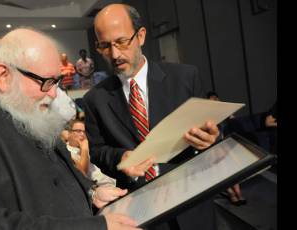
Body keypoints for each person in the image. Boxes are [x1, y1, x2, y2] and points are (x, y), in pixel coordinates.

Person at [0, 28, 141, 230]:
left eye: (56, 82)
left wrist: (91, 193)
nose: (54, 94)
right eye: (47, 82)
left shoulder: (20, 107)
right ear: (4, 75)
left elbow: (53, 175)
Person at [83, 4, 219, 230]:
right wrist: (121, 157)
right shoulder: (94, 99)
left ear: (141, 36)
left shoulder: (185, 78)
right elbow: (97, 152)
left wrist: (211, 137)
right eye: (105, 46)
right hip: (139, 212)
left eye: (121, 42)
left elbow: (209, 130)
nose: (115, 54)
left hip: (192, 206)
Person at [207, 92, 246, 206]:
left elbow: (234, 125)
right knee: (223, 172)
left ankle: (238, 193)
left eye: (215, 99)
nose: (214, 102)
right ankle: (231, 194)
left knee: (232, 170)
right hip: (214, 147)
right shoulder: (209, 116)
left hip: (226, 145)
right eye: (211, 101)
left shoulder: (226, 113)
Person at [67, 119, 116, 186]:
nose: (82, 134)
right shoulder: (67, 152)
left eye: (84, 132)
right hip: (104, 189)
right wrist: (84, 150)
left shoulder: (91, 144)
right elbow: (82, 173)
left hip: (117, 180)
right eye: (78, 131)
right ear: (69, 133)